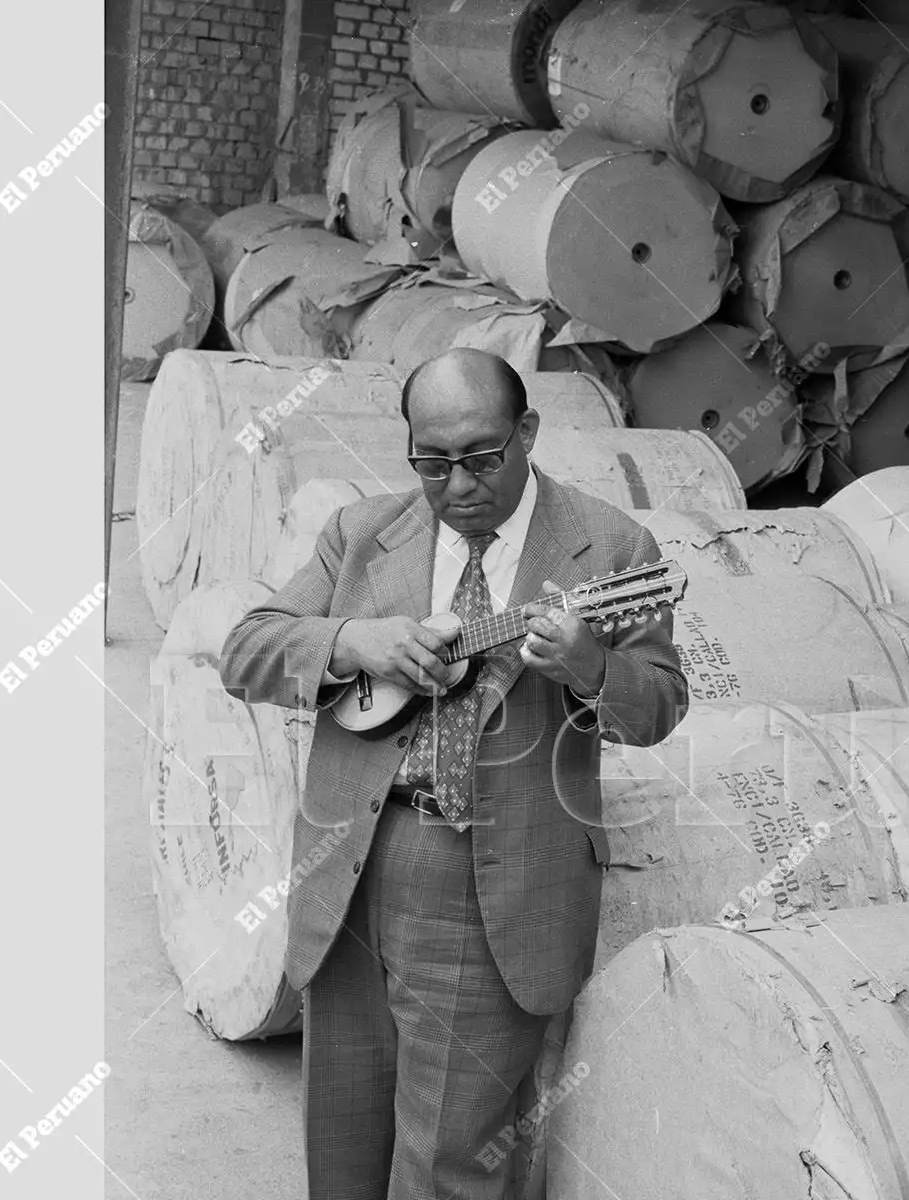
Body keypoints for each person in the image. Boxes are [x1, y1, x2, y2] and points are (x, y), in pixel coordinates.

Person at [219, 348, 688, 1199]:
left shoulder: (614, 549)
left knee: (450, 1157)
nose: (458, 486)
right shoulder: (361, 535)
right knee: (344, 1133)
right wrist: (350, 642)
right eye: (431, 464)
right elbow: (246, 649)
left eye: (481, 458)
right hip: (352, 862)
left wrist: (589, 666)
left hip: (490, 878)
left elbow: (657, 707)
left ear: (528, 434)